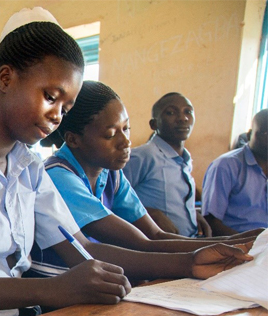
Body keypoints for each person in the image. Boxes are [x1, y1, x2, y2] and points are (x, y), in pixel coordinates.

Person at [0, 8, 252, 316]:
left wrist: (189, 262)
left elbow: (81, 247)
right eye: (50, 97)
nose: (56, 116)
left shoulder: (29, 166)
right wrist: (53, 289)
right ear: (6, 78)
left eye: (65, 109)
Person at [29, 81, 260, 278]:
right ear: (73, 139)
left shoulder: (111, 174)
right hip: (60, 289)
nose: (125, 142)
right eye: (110, 134)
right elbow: (141, 244)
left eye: (126, 129)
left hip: (98, 280)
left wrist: (236, 241)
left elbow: (155, 234)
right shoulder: (58, 176)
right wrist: (194, 261)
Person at [122, 93, 212, 237]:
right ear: (154, 124)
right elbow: (110, 199)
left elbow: (175, 200)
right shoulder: (144, 156)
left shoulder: (184, 159)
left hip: (190, 242)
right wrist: (148, 213)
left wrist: (193, 215)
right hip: (160, 248)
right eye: (171, 113)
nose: (183, 118)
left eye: (188, 111)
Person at [202, 109, 268, 235]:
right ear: (249, 135)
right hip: (235, 246)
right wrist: (248, 244)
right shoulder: (226, 166)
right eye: (265, 133)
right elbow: (210, 222)